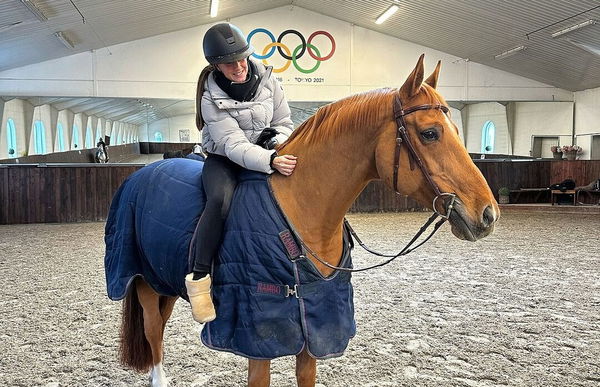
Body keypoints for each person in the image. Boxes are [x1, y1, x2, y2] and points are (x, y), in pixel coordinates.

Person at [185, 22, 297, 323]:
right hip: (224, 160)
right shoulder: (209, 97)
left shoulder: (269, 79)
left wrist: (276, 143)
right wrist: (270, 160)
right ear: (216, 65)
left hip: (267, 150)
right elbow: (232, 144)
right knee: (219, 202)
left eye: (242, 58)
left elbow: (284, 120)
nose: (239, 67)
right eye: (229, 63)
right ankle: (199, 279)